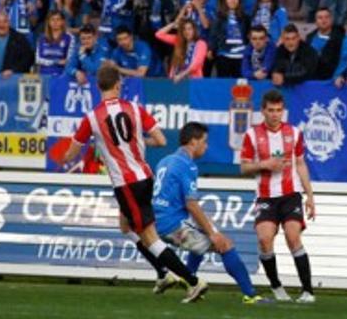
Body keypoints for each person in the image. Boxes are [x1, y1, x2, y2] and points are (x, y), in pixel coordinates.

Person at [57, 65, 208, 303]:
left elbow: (72, 153)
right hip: (145, 178)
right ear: (118, 85)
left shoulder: (92, 117)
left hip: (126, 184)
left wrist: (63, 157)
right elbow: (160, 140)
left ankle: (192, 281)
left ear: (98, 87)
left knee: (150, 237)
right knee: (125, 226)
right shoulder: (135, 109)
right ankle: (162, 273)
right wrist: (137, 142)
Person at [153, 122, 270, 304]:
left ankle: (190, 282)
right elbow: (191, 205)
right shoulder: (187, 165)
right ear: (193, 142)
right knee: (224, 244)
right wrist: (213, 233)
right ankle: (251, 295)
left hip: (156, 224)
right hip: (172, 224)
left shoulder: (164, 161)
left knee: (201, 239)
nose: (206, 146)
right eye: (204, 141)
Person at [240, 89, 316, 303]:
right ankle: (276, 286)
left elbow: (300, 164)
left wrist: (310, 196)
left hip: (291, 194)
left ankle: (308, 291)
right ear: (263, 111)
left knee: (293, 237)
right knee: (264, 241)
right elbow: (244, 167)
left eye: (279, 110)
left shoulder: (295, 133)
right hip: (265, 197)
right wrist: (265, 165)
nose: (275, 114)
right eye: (271, 110)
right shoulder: (252, 135)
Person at [209, 0, 248, 77]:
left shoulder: (245, 17)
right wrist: (211, 49)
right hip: (224, 55)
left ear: (239, 0)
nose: (232, 0)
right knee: (223, 85)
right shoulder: (219, 17)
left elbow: (248, 35)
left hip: (241, 56)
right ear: (225, 0)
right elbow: (214, 34)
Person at [156, 17, 208, 82]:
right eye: (184, 29)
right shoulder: (178, 41)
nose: (187, 31)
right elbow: (159, 34)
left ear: (194, 30)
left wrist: (181, 75)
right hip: (176, 81)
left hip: (193, 82)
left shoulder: (201, 44)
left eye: (189, 29)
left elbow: (196, 64)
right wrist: (173, 24)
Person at [0, 11, 35, 77]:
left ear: (9, 23)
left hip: (12, 80)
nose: (1, 25)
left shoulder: (20, 39)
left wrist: (14, 70)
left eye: (5, 21)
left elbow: (28, 59)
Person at [306, 7, 344, 80]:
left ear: (331, 20)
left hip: (331, 77)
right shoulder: (309, 38)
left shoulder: (340, 39)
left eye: (326, 17)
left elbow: (343, 60)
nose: (324, 20)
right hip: (311, 77)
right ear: (315, 21)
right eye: (320, 18)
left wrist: (339, 74)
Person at [35, 10, 76, 76]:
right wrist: (57, 61)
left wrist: (49, 61)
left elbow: (69, 61)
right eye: (52, 19)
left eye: (58, 19)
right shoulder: (41, 38)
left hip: (61, 74)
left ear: (63, 22)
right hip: (44, 75)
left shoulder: (70, 38)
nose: (55, 22)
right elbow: (38, 60)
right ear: (48, 22)